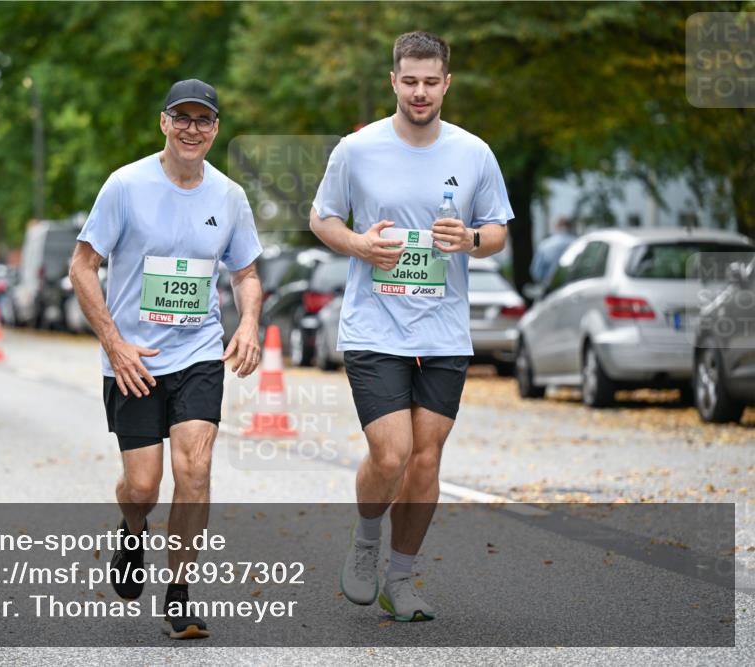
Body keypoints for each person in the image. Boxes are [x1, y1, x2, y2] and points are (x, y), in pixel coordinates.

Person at [309, 31, 513, 622]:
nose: (419, 92)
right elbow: (322, 218)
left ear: (446, 83)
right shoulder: (357, 149)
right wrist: (359, 245)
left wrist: (470, 239)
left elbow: (497, 231)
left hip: (443, 329)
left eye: (430, 82)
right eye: (409, 81)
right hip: (374, 325)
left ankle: (401, 578)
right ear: (393, 81)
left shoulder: (474, 153)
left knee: (425, 461)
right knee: (391, 452)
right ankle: (366, 541)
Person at [69, 79, 263, 639]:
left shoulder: (229, 196)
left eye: (203, 120)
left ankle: (179, 595)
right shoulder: (125, 186)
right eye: (183, 118)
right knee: (143, 488)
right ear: (164, 122)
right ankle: (132, 530)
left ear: (215, 129)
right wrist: (114, 343)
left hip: (198, 352)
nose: (191, 129)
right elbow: (83, 266)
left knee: (195, 471)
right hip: (133, 359)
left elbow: (246, 272)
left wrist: (248, 322)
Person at [530, 217, 576, 284]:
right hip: (573, 285)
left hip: (550, 285)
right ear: (570, 226)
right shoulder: (578, 242)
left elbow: (536, 272)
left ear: (556, 227)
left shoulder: (544, 244)